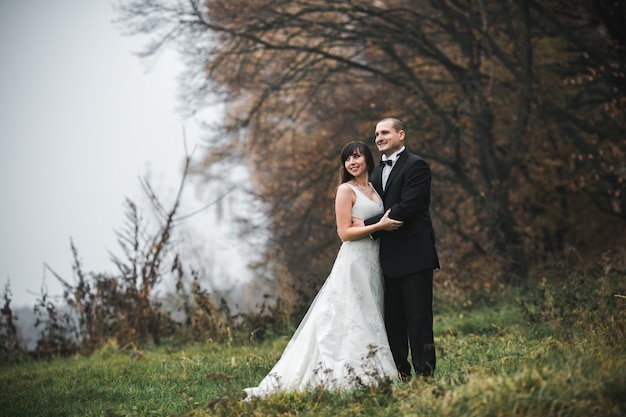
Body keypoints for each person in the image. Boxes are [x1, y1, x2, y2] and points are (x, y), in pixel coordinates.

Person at [244, 141, 403, 399]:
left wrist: (375, 224)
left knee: (373, 312)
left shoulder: (374, 187)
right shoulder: (345, 190)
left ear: (367, 160)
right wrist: (378, 226)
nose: (352, 163)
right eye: (347, 159)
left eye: (356, 157)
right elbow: (344, 233)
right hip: (355, 261)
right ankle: (354, 374)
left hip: (375, 261)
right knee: (354, 315)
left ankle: (375, 369)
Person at [362, 117, 440, 380]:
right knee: (392, 320)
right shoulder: (373, 173)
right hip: (385, 258)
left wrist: (367, 225)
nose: (379, 138)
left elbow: (408, 207)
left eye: (385, 132)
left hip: (415, 255)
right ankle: (400, 371)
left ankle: (425, 374)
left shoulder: (417, 166)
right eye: (376, 134)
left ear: (401, 135)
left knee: (418, 318)